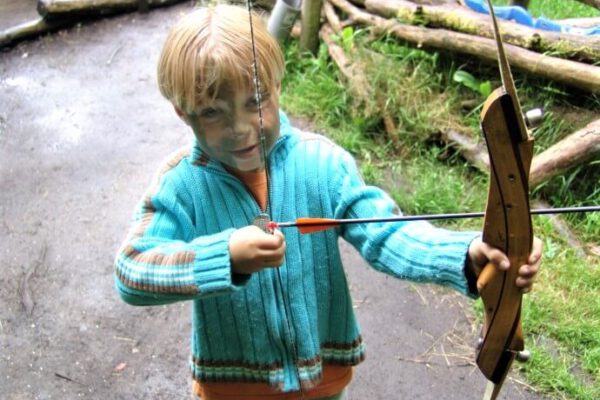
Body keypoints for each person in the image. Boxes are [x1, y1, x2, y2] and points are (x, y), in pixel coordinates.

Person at [113, 4, 542, 400]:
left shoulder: (322, 163)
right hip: (229, 388)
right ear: (183, 114)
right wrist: (225, 256)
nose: (241, 128)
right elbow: (132, 270)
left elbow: (387, 234)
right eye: (213, 112)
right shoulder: (181, 184)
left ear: (278, 86)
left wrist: (468, 256)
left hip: (324, 381)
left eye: (255, 102)